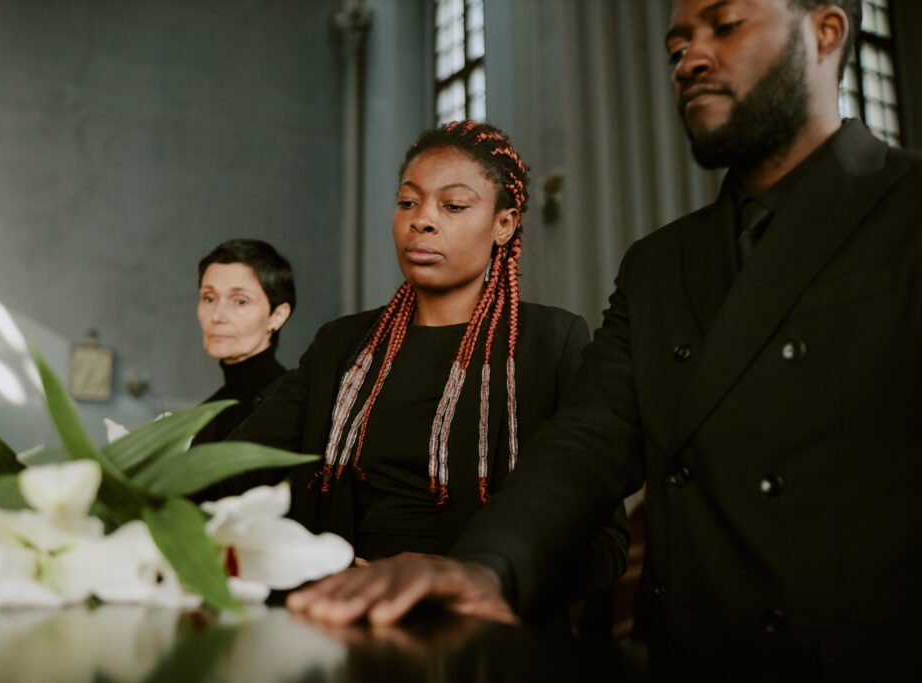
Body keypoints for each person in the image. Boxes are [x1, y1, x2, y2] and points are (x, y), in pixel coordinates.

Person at [287, 0, 922, 678]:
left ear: (825, 34)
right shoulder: (659, 264)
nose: (691, 59)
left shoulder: (908, 206)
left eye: (725, 25)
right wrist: (483, 569)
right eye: (678, 45)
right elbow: (585, 446)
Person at [231, 121, 629, 627]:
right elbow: (234, 469)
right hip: (344, 622)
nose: (422, 221)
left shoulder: (551, 342)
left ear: (504, 224)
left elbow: (607, 542)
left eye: (453, 206)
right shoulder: (342, 347)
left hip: (485, 639)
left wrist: (465, 575)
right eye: (407, 203)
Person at [190, 239, 295, 446]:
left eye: (240, 301)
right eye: (209, 298)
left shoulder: (296, 403)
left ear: (277, 316)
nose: (217, 316)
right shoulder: (201, 417)